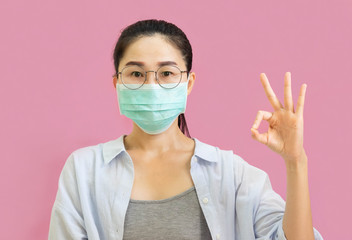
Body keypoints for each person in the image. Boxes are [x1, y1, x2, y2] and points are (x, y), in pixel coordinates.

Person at [48, 19, 324, 240]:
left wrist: (295, 162)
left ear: (189, 83)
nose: (151, 85)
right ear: (117, 83)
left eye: (166, 73)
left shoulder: (232, 174)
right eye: (136, 73)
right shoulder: (84, 170)